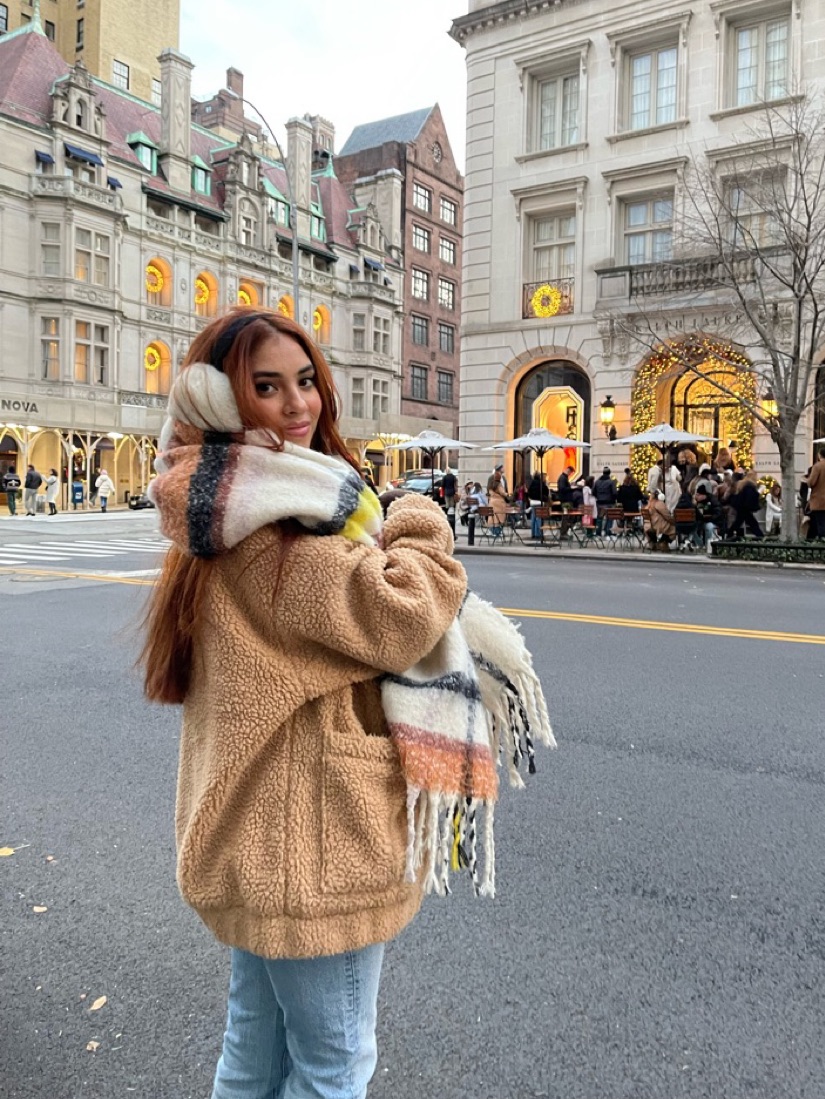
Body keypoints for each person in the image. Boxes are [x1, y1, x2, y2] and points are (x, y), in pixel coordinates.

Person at [139, 307, 552, 1099]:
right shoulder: (273, 535)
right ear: (217, 400)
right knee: (334, 1068)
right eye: (266, 386)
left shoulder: (234, 508)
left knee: (254, 1056)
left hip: (260, 838)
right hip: (310, 849)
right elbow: (406, 611)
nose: (299, 403)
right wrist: (418, 518)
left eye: (305, 380)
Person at [728, 470, 764, 540]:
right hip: (744, 508)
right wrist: (758, 492)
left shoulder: (743, 484)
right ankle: (761, 538)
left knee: (738, 522)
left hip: (741, 507)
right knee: (753, 524)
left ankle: (729, 535)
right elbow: (750, 497)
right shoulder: (749, 486)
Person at [593, 465, 617, 534]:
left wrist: (598, 497)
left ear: (603, 473)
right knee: (609, 518)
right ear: (609, 473)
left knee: (599, 518)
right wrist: (613, 499)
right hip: (609, 503)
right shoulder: (611, 482)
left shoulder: (597, 482)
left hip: (599, 503)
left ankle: (598, 532)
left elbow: (593, 492)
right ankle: (608, 532)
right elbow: (614, 493)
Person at [486, 466, 508, 536]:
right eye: (502, 467)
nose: (504, 468)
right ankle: (497, 532)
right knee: (499, 517)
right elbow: (503, 492)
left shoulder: (492, 485)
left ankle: (493, 531)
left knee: (494, 517)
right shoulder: (498, 483)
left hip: (493, 501)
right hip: (499, 502)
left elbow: (489, 490)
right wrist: (507, 495)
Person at [440, 466, 458, 537]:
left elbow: (442, 485)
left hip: (447, 492)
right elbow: (455, 485)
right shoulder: (453, 477)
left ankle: (448, 515)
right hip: (452, 492)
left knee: (447, 504)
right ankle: (452, 513)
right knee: (452, 504)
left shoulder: (445, 477)